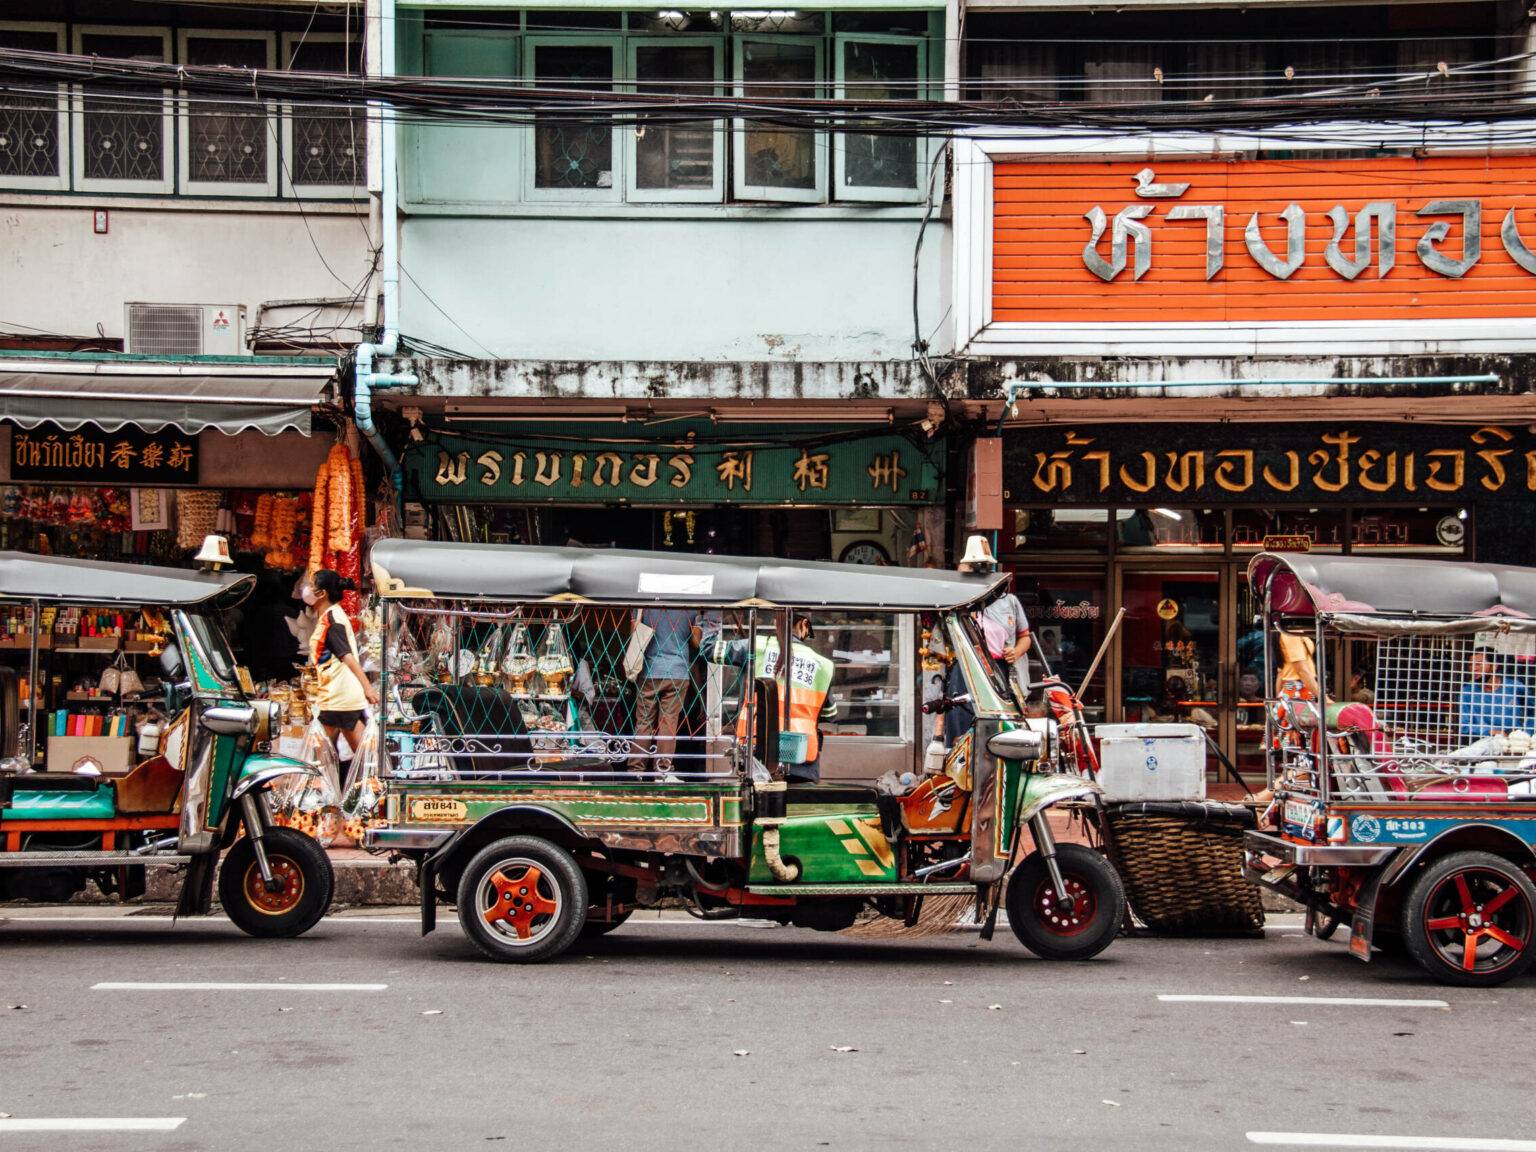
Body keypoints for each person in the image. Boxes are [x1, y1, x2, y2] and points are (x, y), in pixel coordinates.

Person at [717, 615, 838, 783]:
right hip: (800, 759)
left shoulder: (756, 645)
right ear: (803, 624)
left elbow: (711, 649)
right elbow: (830, 714)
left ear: (775, 622)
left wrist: (708, 616)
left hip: (757, 754)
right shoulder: (824, 665)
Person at [303, 569, 378, 755]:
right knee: (361, 755)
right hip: (340, 696)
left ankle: (332, 782)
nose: (308, 589)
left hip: (338, 697)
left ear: (323, 593)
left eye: (313, 586)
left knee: (320, 754)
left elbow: (347, 656)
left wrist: (367, 687)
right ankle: (367, 781)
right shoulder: (331, 615)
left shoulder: (331, 619)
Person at [629, 606, 703, 773]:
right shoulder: (691, 607)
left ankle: (635, 771)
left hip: (649, 671)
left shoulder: (644, 605)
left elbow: (634, 633)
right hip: (677, 672)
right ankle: (663, 769)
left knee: (643, 722)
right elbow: (696, 642)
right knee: (668, 723)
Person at [957, 536, 1032, 696]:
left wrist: (1016, 652)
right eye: (974, 567)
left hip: (1002, 668)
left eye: (985, 567)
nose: (981, 571)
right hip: (968, 669)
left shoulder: (1009, 601)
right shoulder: (959, 602)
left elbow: (1025, 637)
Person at [1459, 647, 1530, 739]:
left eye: (1478, 664)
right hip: (1483, 740)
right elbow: (1463, 726)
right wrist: (1491, 731)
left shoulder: (1515, 687)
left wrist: (1526, 733)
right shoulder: (1467, 691)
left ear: (1494, 666)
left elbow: (1532, 714)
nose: (1473, 669)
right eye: (1470, 665)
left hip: (1516, 741)